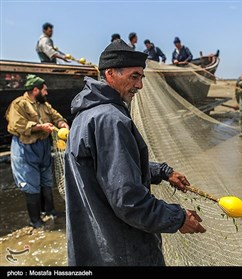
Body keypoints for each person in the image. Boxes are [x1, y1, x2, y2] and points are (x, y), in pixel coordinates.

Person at [64, 40, 206, 266]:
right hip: (122, 250)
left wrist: (162, 172)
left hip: (94, 246)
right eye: (134, 76)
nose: (140, 85)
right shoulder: (110, 120)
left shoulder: (86, 115)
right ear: (110, 74)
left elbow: (109, 169)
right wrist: (177, 218)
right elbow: (128, 199)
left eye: (141, 77)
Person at [6, 74, 69, 228]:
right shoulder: (18, 104)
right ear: (36, 90)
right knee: (30, 183)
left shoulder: (44, 104)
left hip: (43, 146)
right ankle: (35, 221)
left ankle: (50, 211)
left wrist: (62, 124)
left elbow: (56, 116)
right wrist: (40, 127)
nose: (46, 93)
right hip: (25, 147)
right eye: (44, 90)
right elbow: (17, 125)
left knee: (46, 179)